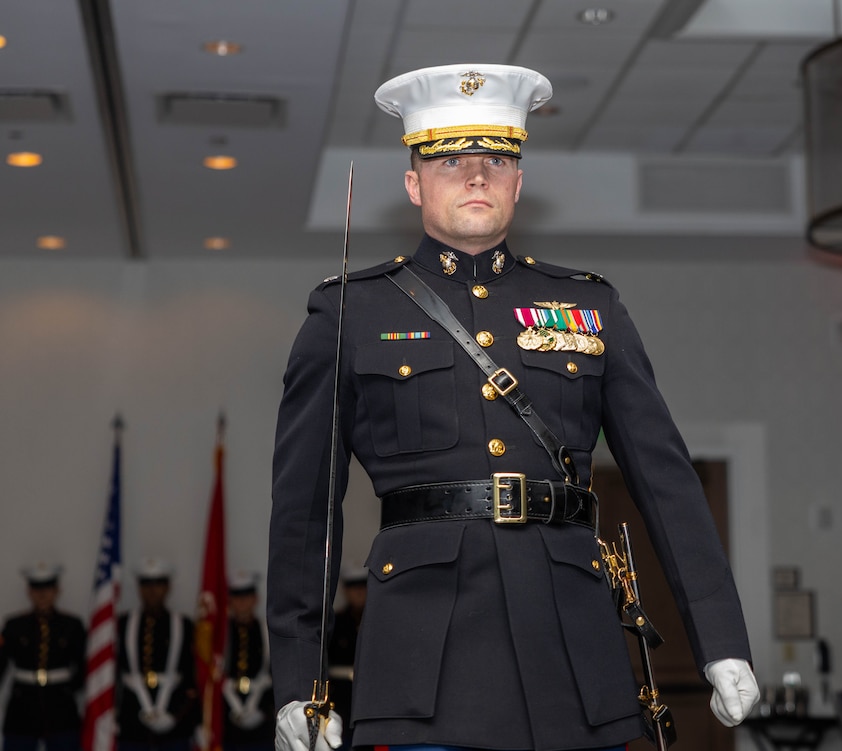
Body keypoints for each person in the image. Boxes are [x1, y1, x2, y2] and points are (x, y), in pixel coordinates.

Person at [268, 63, 760, 751]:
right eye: (450, 159)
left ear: (519, 183)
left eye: (497, 158)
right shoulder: (349, 312)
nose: (476, 175)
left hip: (573, 657)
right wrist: (299, 677)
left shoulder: (591, 306)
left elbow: (667, 480)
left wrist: (721, 640)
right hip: (424, 667)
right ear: (414, 183)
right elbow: (303, 513)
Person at [0, 562, 86, 751]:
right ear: (29, 592)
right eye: (36, 588)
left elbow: (83, 666)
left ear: (57, 591)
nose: (42, 594)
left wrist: (70, 689)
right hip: (22, 706)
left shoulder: (72, 625)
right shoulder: (14, 626)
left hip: (61, 706)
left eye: (47, 588)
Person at [116, 558, 199, 751]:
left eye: (158, 584)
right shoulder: (122, 624)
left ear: (168, 587)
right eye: (146, 584)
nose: (152, 590)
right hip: (132, 723)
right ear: (139, 588)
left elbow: (192, 676)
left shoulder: (184, 625)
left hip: (174, 721)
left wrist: (177, 715)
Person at [222, 571, 275, 751]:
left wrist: (266, 711)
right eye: (237, 596)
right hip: (227, 723)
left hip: (261, 720)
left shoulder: (267, 631)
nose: (242, 601)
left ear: (255, 598)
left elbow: (274, 674)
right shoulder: (220, 634)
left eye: (247, 595)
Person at [327, 563, 368, 717]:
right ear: (345, 590)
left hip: (370, 691)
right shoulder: (335, 622)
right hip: (341, 694)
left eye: (362, 586)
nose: (359, 592)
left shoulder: (380, 621)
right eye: (353, 587)